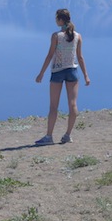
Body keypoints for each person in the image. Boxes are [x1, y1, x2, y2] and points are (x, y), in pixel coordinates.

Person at [34, 8, 90, 145]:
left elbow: (49, 55)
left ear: (60, 20)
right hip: (72, 71)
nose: (55, 21)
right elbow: (80, 57)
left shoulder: (56, 36)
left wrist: (41, 73)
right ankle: (68, 135)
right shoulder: (78, 36)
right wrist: (86, 76)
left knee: (53, 106)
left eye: (56, 18)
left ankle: (49, 137)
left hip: (57, 72)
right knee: (73, 104)